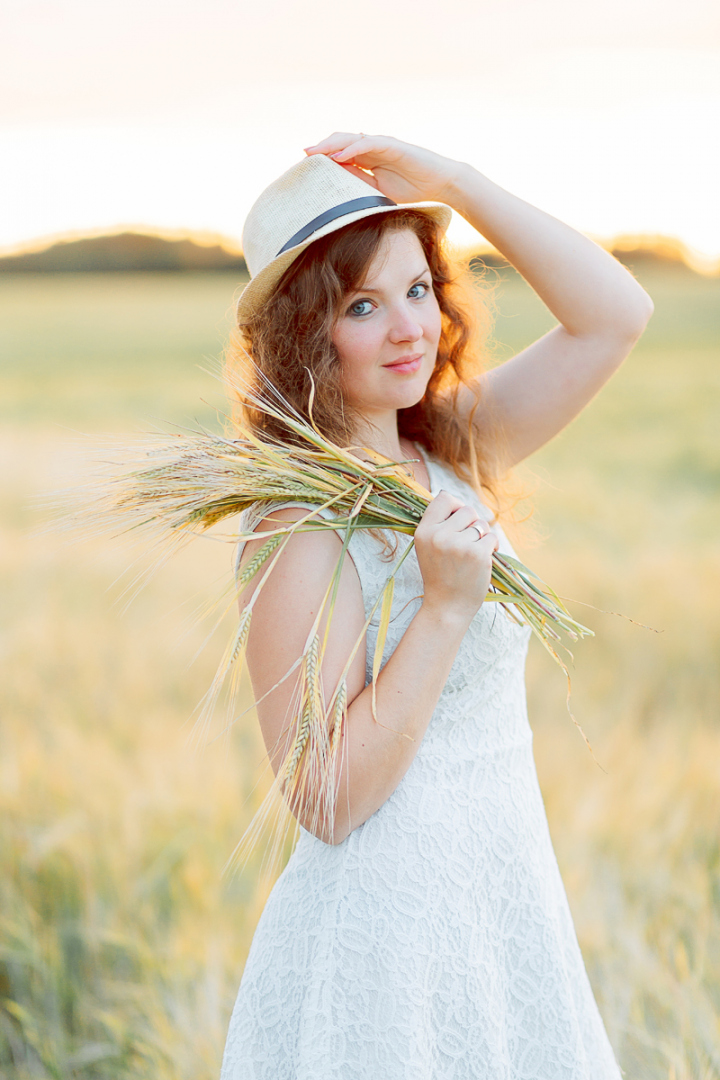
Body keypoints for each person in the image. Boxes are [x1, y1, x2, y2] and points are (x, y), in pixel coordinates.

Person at [219, 132, 653, 1079]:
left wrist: (458, 183)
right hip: (387, 938)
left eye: (419, 289)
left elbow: (617, 314)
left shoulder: (448, 444)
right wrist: (445, 610)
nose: (409, 327)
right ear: (306, 332)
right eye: (364, 305)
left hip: (504, 904)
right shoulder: (300, 523)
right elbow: (326, 802)